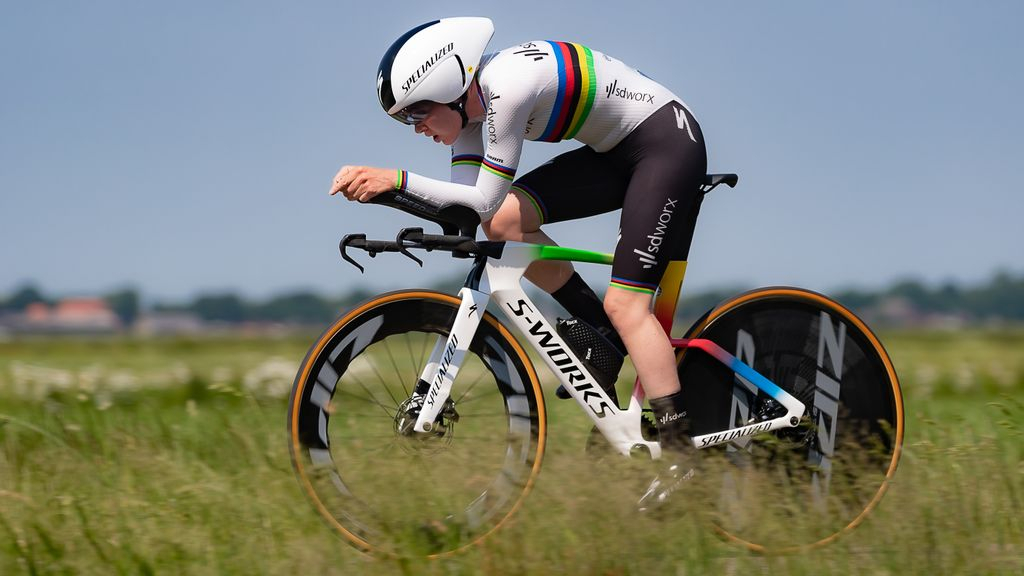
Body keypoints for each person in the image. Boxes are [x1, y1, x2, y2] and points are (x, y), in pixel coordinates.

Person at [330, 17, 707, 509]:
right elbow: (469, 213)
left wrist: (395, 181)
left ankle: (681, 455)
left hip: (665, 145)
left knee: (627, 305)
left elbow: (481, 198)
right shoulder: (467, 117)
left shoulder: (506, 89)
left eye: (417, 113)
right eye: (406, 120)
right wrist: (388, 200)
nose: (417, 128)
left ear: (448, 88)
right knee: (505, 223)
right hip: (616, 152)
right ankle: (602, 335)